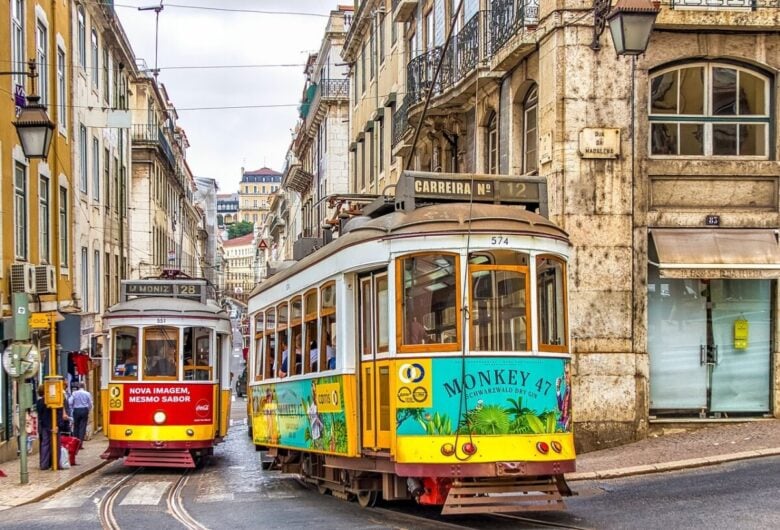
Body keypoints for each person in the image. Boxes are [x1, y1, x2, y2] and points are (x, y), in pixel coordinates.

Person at [36, 385, 67, 470]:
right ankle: (55, 463)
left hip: (44, 426)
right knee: (56, 445)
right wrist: (58, 425)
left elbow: (40, 415)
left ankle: (44, 464)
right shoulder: (52, 401)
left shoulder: (39, 402)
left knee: (45, 445)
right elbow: (58, 414)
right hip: (53, 425)